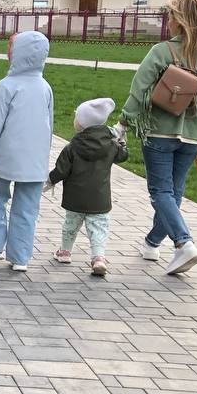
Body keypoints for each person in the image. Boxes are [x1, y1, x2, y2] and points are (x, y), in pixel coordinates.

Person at [118, 0, 197, 275]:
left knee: (161, 192)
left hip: (160, 132)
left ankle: (184, 244)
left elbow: (139, 89)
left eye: (170, 15)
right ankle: (152, 243)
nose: (167, 20)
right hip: (192, 137)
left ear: (179, 20)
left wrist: (124, 121)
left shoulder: (162, 52)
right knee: (173, 193)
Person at [0, 30, 54, 272]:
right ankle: (20, 257)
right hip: (34, 160)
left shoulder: (6, 86)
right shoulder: (45, 87)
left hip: (7, 156)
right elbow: (48, 126)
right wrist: (44, 155)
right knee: (28, 206)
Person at [47, 97, 128, 277]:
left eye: (77, 117)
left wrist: (49, 181)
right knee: (98, 228)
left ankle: (65, 252)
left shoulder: (72, 146)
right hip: (99, 198)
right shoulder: (110, 145)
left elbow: (61, 170)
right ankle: (98, 258)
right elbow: (123, 156)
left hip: (75, 198)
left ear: (82, 124)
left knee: (70, 225)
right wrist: (121, 139)